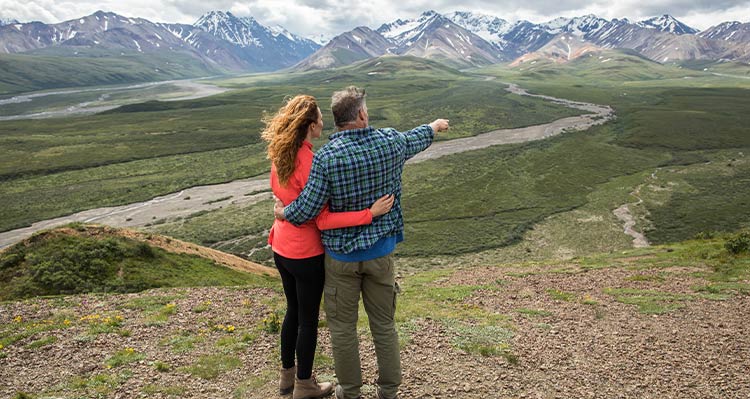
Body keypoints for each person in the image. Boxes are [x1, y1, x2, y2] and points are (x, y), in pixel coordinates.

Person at [275, 86, 449, 399]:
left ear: (335, 120)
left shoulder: (326, 158)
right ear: (363, 115)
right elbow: (416, 138)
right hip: (381, 253)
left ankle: (350, 392)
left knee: (343, 329)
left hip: (340, 259)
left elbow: (307, 210)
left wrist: (282, 211)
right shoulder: (390, 142)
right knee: (384, 325)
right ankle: (388, 391)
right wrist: (434, 126)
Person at [262, 94, 395, 399]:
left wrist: (283, 210)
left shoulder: (281, 152)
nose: (324, 121)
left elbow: (283, 199)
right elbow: (322, 219)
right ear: (310, 125)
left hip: (280, 245)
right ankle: (304, 385)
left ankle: (287, 377)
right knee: (308, 319)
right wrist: (368, 214)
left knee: (292, 311)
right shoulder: (311, 161)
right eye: (320, 117)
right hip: (304, 251)